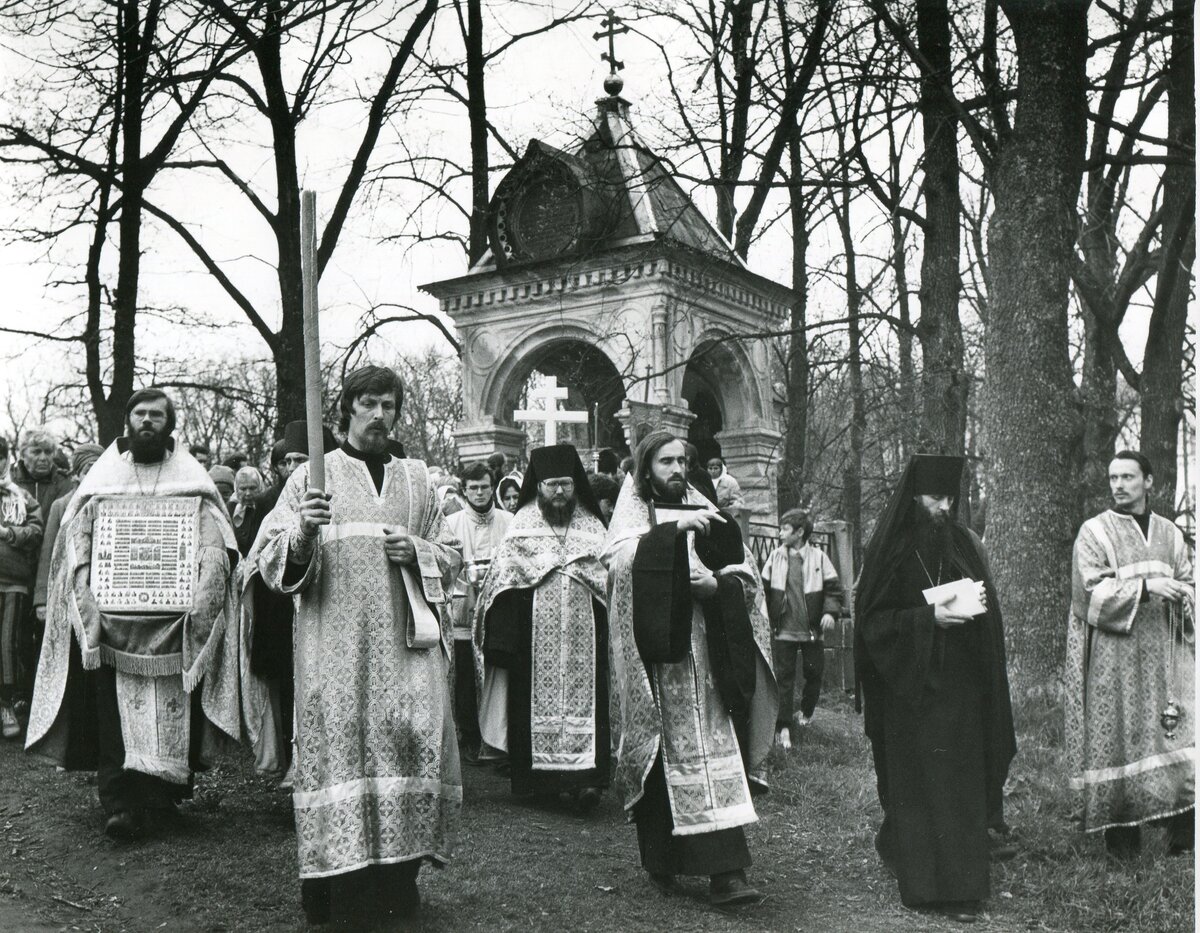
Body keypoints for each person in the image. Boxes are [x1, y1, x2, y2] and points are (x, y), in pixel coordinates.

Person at [255, 365, 462, 926]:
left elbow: (453, 556)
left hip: (406, 649)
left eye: (389, 405)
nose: (379, 415)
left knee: (407, 745)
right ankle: (338, 889)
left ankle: (400, 882)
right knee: (343, 755)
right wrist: (303, 532)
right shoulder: (311, 478)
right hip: (333, 651)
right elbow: (269, 562)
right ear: (346, 408)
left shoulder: (418, 479)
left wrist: (417, 549)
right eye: (368, 403)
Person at [26, 388, 246, 842]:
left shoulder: (192, 478)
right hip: (114, 624)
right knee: (114, 718)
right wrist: (85, 596)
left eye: (157, 415)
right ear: (127, 422)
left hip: (173, 623)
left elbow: (214, 540)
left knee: (173, 711)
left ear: (169, 424)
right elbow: (78, 541)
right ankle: (120, 804)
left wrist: (204, 593)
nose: (148, 421)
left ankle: (162, 800)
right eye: (140, 414)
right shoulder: (104, 478)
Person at [602, 431, 776, 906]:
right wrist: (675, 535)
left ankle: (727, 871)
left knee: (711, 752)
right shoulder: (633, 513)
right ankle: (662, 859)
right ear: (646, 468)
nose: (676, 469)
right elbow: (618, 563)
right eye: (665, 461)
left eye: (682, 460)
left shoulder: (707, 509)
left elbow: (746, 573)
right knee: (663, 752)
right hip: (657, 662)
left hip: (708, 658)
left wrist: (716, 585)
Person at [854, 454, 1015, 922]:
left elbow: (991, 618)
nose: (943, 507)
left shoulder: (964, 543)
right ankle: (929, 886)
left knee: (960, 786)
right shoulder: (889, 549)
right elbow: (872, 624)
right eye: (934, 497)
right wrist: (930, 619)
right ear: (913, 496)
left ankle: (964, 888)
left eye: (949, 498)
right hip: (912, 691)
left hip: (963, 690)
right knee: (922, 788)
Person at [1066, 450, 1194, 858]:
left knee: (1171, 738)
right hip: (1114, 661)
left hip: (1164, 658)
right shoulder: (1095, 532)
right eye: (1113, 477)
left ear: (1149, 482)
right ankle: (1122, 842)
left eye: (1128, 477)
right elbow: (1088, 592)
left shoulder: (1171, 534)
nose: (1118, 485)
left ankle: (1181, 835)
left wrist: (1184, 596)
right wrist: (1148, 588)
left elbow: (1189, 581)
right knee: (1120, 741)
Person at [475, 444, 610, 810]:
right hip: (534, 642)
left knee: (590, 704)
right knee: (529, 707)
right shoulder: (522, 527)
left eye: (566, 484)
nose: (560, 493)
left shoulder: (592, 526)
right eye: (552, 485)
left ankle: (587, 782)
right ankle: (541, 782)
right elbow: (502, 580)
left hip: (586, 641)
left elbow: (608, 578)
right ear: (538, 486)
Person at [240, 421, 336, 781]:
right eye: (289, 461)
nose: (295, 468)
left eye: (304, 459)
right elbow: (259, 555)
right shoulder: (270, 502)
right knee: (287, 689)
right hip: (281, 614)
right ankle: (290, 765)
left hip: (328, 610)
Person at [444, 462, 512, 764]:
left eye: (485, 486)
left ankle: (498, 739)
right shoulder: (453, 522)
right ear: (464, 490)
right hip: (463, 609)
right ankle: (470, 737)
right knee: (465, 677)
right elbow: (447, 561)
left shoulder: (509, 521)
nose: (480, 492)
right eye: (474, 488)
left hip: (499, 609)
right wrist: (467, 588)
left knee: (498, 673)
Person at [761, 508, 843, 748]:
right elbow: (763, 590)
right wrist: (764, 615)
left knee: (814, 673)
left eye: (784, 529)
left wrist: (829, 612)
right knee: (783, 678)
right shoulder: (775, 557)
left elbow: (833, 589)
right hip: (783, 629)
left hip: (811, 631)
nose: (779, 534)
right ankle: (783, 727)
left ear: (799, 532)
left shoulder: (819, 558)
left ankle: (805, 714)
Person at [0, 438, 43, 739]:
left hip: (14, 580)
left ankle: (5, 706)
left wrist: (8, 532)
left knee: (9, 645)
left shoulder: (21, 496)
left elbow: (36, 531)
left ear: (6, 460)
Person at [33, 444, 104, 624]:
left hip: (101, 593)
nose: (94, 476)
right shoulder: (62, 506)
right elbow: (48, 554)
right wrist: (41, 600)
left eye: (99, 469)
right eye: (88, 470)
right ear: (77, 475)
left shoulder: (111, 504)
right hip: (67, 590)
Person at [231, 466, 265, 557]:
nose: (248, 493)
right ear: (236, 489)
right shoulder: (231, 509)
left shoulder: (267, 507)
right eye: (243, 489)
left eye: (252, 488)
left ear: (260, 487)